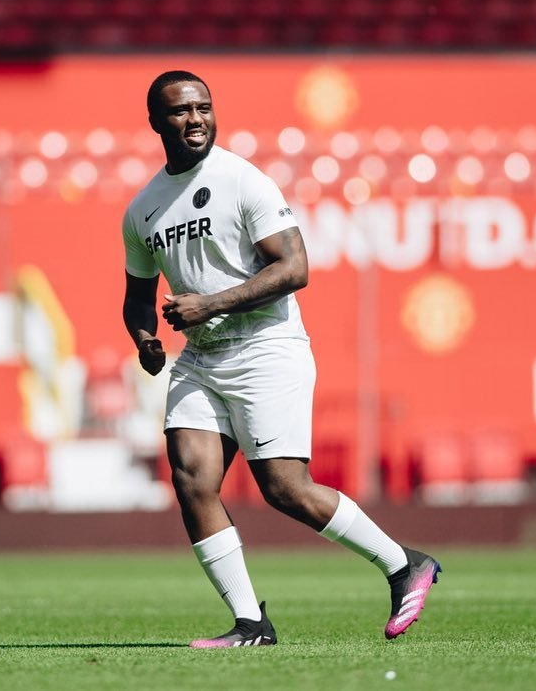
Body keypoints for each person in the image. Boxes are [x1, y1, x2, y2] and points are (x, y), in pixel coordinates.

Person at [122, 70, 440, 647]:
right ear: (154, 122)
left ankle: (404, 564)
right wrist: (145, 339)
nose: (194, 120)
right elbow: (136, 301)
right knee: (192, 478)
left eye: (203, 108)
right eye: (180, 111)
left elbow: (295, 269)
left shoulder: (243, 181)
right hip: (201, 357)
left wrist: (209, 304)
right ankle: (251, 623)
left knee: (285, 487)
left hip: (267, 346)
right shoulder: (142, 209)